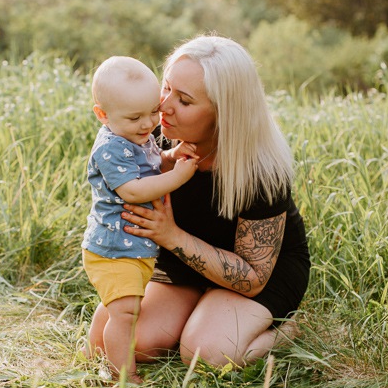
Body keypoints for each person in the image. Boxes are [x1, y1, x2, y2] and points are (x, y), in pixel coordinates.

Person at [85, 35, 311, 369]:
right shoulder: (155, 133)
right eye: (166, 88)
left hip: (258, 273)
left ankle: (286, 331)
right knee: (127, 344)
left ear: (224, 114)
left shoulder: (261, 172)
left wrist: (170, 235)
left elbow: (252, 278)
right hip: (184, 260)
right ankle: (199, 309)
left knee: (206, 354)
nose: (164, 106)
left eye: (185, 101)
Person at [81, 56, 198, 383]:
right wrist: (178, 176)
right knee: (126, 313)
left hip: (130, 246)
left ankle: (92, 354)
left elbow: (150, 161)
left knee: (116, 306)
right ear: (103, 115)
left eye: (152, 111)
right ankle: (123, 377)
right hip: (113, 249)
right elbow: (133, 189)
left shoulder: (134, 134)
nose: (148, 124)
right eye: (136, 117)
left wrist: (170, 156)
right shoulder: (110, 148)